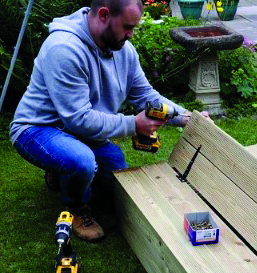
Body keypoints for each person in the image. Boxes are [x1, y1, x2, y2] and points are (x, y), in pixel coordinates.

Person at [10, 0, 198, 241]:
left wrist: (186, 118)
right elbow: (79, 119)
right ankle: (77, 208)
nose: (131, 34)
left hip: (81, 132)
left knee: (115, 183)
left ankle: (61, 171)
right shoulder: (64, 48)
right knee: (80, 161)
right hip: (39, 128)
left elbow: (146, 96)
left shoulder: (123, 50)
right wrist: (134, 124)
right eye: (127, 27)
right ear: (103, 15)